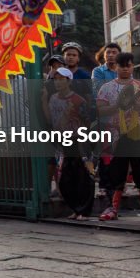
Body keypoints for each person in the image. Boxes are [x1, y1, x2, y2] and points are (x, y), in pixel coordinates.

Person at [96, 52, 140, 221]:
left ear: (132, 66)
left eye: (128, 65)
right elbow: (99, 110)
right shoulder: (106, 88)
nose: (124, 69)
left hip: (139, 134)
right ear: (116, 67)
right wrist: (118, 105)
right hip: (117, 135)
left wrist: (137, 104)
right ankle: (112, 208)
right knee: (116, 172)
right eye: (121, 66)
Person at [49, 67, 94, 219]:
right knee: (67, 178)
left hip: (78, 140)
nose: (58, 82)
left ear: (68, 81)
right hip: (63, 140)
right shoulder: (53, 99)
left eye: (61, 79)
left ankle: (85, 211)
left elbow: (87, 121)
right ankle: (75, 208)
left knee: (83, 176)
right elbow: (52, 119)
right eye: (55, 79)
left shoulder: (78, 100)